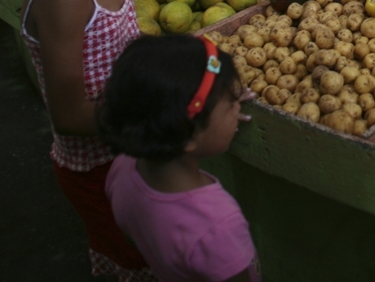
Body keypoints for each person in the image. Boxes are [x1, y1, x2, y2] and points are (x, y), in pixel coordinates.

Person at [16, 0, 154, 281]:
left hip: (128, 152)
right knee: (133, 262)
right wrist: (167, 106)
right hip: (97, 170)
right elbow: (70, 115)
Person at [99, 36, 261, 282]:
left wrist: (217, 116)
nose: (238, 108)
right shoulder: (217, 226)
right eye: (230, 105)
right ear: (188, 135)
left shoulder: (123, 169)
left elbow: (131, 237)